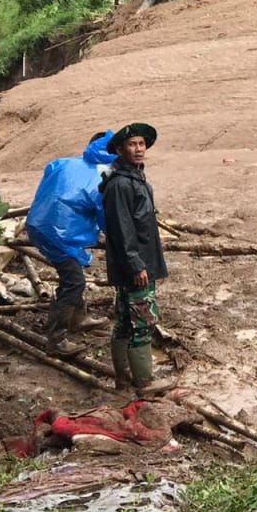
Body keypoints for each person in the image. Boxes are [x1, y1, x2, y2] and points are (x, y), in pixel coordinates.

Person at [26, 130, 118, 355]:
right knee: (74, 281)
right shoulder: (104, 177)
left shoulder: (62, 163)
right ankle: (56, 340)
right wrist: (114, 236)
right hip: (60, 234)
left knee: (73, 271)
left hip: (37, 222)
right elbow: (105, 214)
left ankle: (78, 317)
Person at [101, 122, 172, 395]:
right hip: (135, 264)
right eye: (132, 145)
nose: (138, 149)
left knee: (124, 319)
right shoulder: (120, 184)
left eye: (141, 144)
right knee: (142, 320)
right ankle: (145, 382)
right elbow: (122, 228)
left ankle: (124, 378)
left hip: (139, 260)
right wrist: (136, 264)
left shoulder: (135, 177)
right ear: (120, 149)